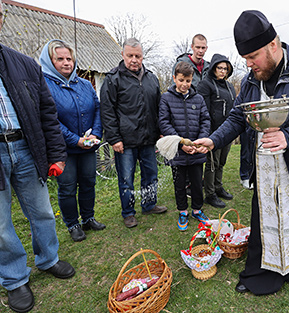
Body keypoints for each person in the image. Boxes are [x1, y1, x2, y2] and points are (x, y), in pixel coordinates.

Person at [194, 10, 289, 295]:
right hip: (264, 170)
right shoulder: (251, 81)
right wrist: (213, 140)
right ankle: (264, 268)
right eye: (245, 60)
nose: (249, 66)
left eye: (253, 58)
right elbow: (238, 118)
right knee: (265, 221)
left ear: (273, 45)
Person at [0, 4, 75, 312]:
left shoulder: (22, 64)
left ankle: (48, 259)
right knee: (1, 225)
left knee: (42, 211)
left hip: (27, 147)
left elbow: (47, 111)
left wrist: (56, 154)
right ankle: (15, 279)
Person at [39, 39, 106, 242]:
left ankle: (88, 218)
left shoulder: (85, 84)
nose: (66, 62)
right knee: (67, 188)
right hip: (63, 150)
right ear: (50, 61)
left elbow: (98, 109)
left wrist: (95, 133)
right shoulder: (44, 85)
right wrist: (74, 140)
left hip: (87, 147)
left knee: (88, 183)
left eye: (69, 58)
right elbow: (49, 119)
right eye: (60, 59)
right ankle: (73, 224)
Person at [100, 38, 168, 228]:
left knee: (151, 175)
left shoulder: (152, 78)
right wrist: (114, 138)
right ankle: (128, 212)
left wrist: (161, 131)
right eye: (130, 55)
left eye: (137, 56)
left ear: (142, 56)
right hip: (125, 141)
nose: (134, 60)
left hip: (148, 139)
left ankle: (149, 204)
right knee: (126, 179)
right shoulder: (112, 79)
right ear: (122, 55)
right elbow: (107, 111)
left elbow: (158, 107)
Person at [159, 61, 211, 231]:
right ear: (174, 78)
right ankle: (183, 211)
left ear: (192, 80)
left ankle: (197, 209)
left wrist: (200, 141)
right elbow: (164, 123)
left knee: (197, 183)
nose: (184, 84)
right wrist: (181, 143)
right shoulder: (166, 98)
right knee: (179, 183)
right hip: (177, 151)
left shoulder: (198, 98)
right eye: (181, 80)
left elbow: (205, 120)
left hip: (196, 150)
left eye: (188, 81)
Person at [197, 54, 236, 208]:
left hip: (228, 131)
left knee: (221, 162)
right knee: (211, 164)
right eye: (219, 68)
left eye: (225, 68)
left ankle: (218, 187)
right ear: (213, 68)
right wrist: (208, 133)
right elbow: (203, 111)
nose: (222, 71)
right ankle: (210, 194)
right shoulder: (205, 85)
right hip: (213, 132)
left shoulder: (229, 86)